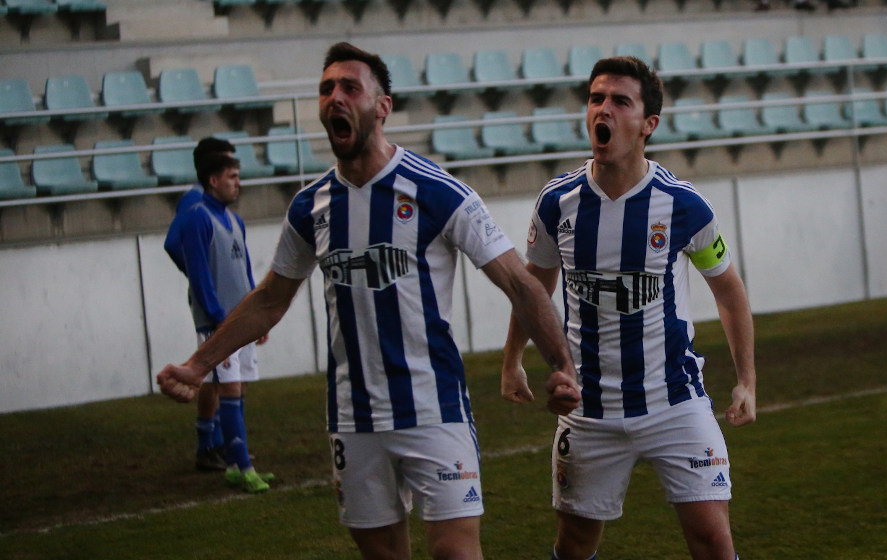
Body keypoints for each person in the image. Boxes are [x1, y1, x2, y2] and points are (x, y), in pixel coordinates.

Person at [157, 41, 581, 559]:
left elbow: (519, 281)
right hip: (352, 418)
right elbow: (270, 298)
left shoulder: (438, 191)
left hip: (434, 409)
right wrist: (199, 364)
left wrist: (561, 364)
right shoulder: (309, 207)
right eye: (326, 89)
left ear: (382, 106)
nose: (335, 98)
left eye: (350, 88)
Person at [501, 56, 757, 560]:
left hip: (674, 401)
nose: (605, 110)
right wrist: (512, 360)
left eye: (621, 101)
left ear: (648, 124)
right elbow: (534, 288)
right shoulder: (558, 203)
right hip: (589, 408)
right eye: (597, 99)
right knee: (574, 545)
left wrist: (746, 378)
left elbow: (728, 290)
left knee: (712, 538)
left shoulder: (683, 206)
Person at [177, 149, 274, 493]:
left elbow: (245, 272)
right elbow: (200, 277)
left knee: (240, 386)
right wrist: (220, 320)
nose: (238, 184)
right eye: (232, 177)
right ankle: (244, 466)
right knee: (229, 387)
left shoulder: (236, 220)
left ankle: (235, 463)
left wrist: (256, 317)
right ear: (213, 180)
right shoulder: (197, 218)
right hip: (217, 323)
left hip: (240, 320)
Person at [163, 136, 239, 472]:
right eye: (227, 163)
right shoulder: (195, 200)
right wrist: (198, 273)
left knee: (218, 375)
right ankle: (210, 443)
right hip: (211, 300)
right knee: (215, 374)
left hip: (221, 297)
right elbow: (172, 243)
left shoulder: (208, 202)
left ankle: (214, 441)